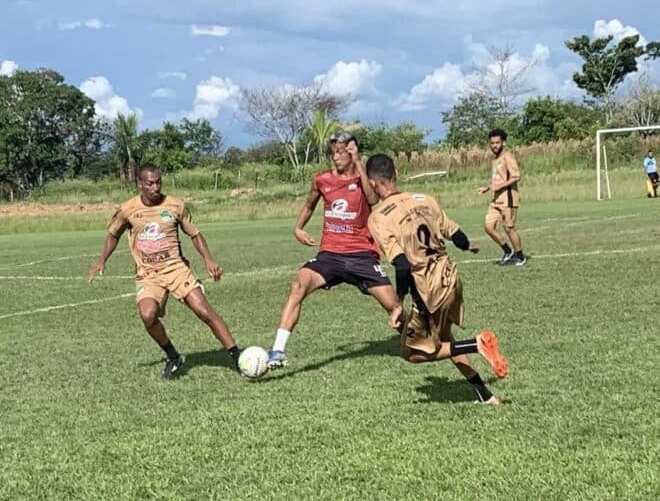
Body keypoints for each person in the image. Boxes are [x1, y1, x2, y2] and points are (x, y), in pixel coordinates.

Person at [366, 153, 508, 404]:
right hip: (450, 277)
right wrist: (468, 246)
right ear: (395, 174)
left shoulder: (379, 217)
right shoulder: (424, 200)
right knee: (444, 339)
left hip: (427, 289)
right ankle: (485, 395)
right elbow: (456, 233)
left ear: (372, 183)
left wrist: (398, 304)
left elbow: (402, 265)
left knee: (412, 353)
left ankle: (477, 344)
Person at [87, 163, 241, 379]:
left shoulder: (176, 205)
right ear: (139, 184)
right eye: (150, 183)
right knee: (148, 315)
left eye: (158, 182)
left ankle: (238, 358)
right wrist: (101, 261)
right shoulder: (128, 209)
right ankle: (173, 356)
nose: (155, 187)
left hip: (176, 269)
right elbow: (113, 235)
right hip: (148, 274)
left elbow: (195, 234)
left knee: (205, 312)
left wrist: (208, 260)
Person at [267, 133, 402, 369]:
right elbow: (309, 205)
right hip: (329, 255)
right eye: (333, 153)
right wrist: (298, 228)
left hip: (361, 254)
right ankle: (277, 350)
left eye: (340, 152)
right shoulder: (322, 180)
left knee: (393, 306)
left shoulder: (364, 179)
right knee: (299, 285)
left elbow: (372, 200)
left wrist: (358, 161)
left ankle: (420, 338)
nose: (336, 157)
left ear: (351, 151)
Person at [477, 128, 526, 266]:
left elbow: (516, 176)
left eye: (497, 143)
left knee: (509, 228)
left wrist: (499, 187)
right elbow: (497, 179)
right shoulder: (495, 159)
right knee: (488, 226)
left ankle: (520, 256)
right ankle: (507, 251)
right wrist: (487, 188)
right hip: (496, 199)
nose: (494, 146)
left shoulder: (508, 157)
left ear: (503, 142)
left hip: (508, 198)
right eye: (492, 143)